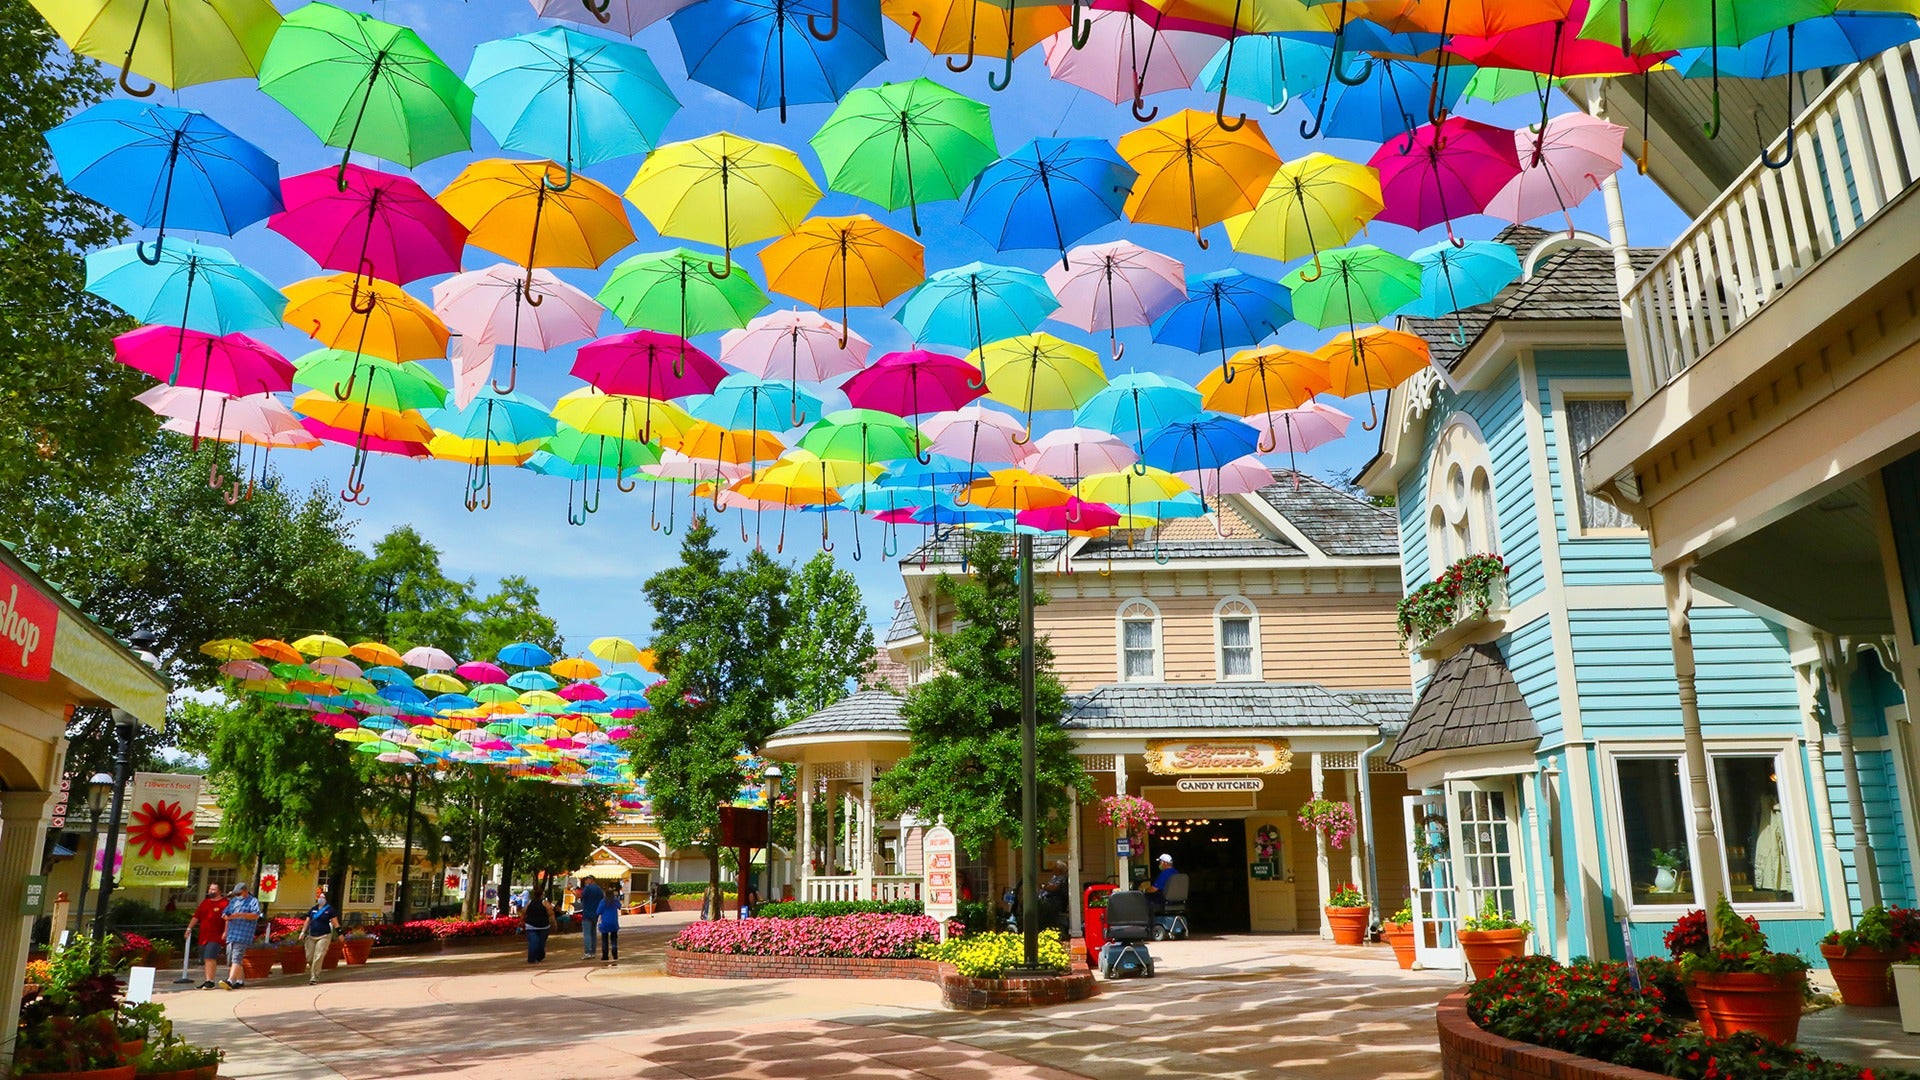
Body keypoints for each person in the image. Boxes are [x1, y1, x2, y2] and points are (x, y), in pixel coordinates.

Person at [219, 883, 262, 989]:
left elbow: (256, 915)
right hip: (232, 933)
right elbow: (225, 913)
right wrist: (226, 917)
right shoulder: (234, 901)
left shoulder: (253, 901)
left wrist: (240, 915)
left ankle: (230, 980)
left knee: (236, 957)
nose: (237, 895)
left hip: (243, 934)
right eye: (236, 893)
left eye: (239, 893)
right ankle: (239, 980)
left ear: (245, 891)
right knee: (231, 958)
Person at [186, 882, 226, 990]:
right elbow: (196, 917)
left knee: (210, 957)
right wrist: (189, 928)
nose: (210, 891)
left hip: (216, 936)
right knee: (205, 959)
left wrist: (226, 932)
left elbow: (228, 919)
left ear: (219, 891)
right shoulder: (205, 903)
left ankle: (211, 981)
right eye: (210, 889)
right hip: (204, 936)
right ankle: (207, 980)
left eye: (213, 889)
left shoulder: (225, 903)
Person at [301, 885, 340, 986]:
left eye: (323, 897)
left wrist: (340, 933)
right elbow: (307, 921)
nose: (321, 899)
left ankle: (314, 977)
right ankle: (315, 969)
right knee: (309, 957)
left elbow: (335, 923)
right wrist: (302, 932)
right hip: (311, 936)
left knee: (318, 956)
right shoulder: (313, 909)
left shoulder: (329, 910)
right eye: (320, 897)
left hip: (324, 936)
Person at [1038, 859, 1071, 933]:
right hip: (1049, 900)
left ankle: (1041, 929)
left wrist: (1043, 886)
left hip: (1055, 901)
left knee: (1040, 907)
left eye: (1054, 868)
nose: (1052, 870)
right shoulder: (1055, 877)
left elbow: (1053, 888)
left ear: (1059, 870)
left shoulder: (1062, 878)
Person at [522, 886, 552, 963]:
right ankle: (539, 956)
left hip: (531, 925)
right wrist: (554, 923)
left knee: (533, 942)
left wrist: (521, 920)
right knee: (541, 943)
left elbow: (523, 912)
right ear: (542, 894)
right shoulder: (545, 903)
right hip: (544, 926)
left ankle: (532, 958)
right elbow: (550, 913)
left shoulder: (529, 903)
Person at [578, 876, 604, 959]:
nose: (585, 881)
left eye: (586, 880)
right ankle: (593, 952)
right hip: (595, 913)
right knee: (593, 933)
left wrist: (574, 892)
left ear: (591, 880)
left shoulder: (587, 888)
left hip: (587, 914)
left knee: (587, 934)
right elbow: (602, 900)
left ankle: (587, 952)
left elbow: (581, 896)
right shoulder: (599, 889)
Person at [598, 886, 622, 963]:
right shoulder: (615, 900)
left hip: (604, 923)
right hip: (614, 922)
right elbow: (620, 907)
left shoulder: (603, 901)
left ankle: (605, 955)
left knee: (604, 940)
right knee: (614, 939)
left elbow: (598, 912)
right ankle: (615, 953)